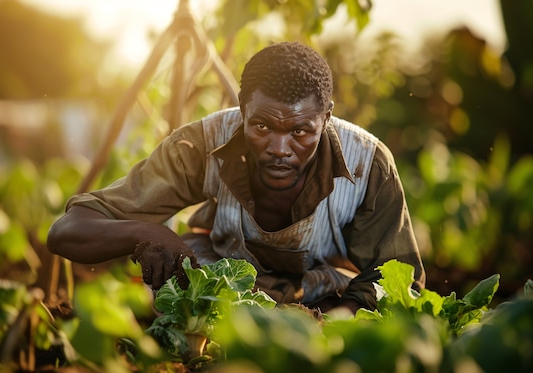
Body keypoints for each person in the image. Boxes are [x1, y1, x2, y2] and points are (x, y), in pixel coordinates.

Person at [47, 41, 425, 314]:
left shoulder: (368, 163)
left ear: (326, 118)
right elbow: (67, 231)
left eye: (300, 132)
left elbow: (400, 278)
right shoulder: (201, 145)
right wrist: (147, 232)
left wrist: (333, 322)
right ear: (242, 109)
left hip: (323, 297)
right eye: (260, 125)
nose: (279, 148)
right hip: (219, 298)